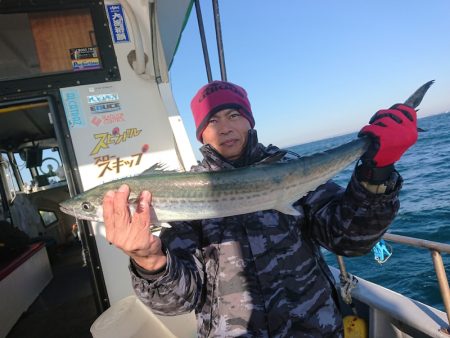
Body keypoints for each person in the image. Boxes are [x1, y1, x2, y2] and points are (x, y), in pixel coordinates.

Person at [103, 80, 417, 337]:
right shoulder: (188, 194)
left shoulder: (290, 168)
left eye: (233, 115)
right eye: (213, 120)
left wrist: (376, 174)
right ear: (201, 133)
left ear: (250, 121)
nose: (224, 127)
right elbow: (178, 301)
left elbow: (349, 239)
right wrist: (148, 259)